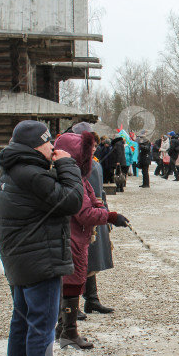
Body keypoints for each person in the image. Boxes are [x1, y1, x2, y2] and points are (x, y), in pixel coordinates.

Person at [0, 120, 84, 356]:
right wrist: (68, 165)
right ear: (36, 145)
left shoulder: (7, 173)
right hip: (40, 261)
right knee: (42, 328)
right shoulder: (33, 174)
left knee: (21, 323)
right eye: (49, 143)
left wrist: (20, 225)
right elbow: (71, 200)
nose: (54, 148)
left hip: (18, 261)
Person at [53, 131, 129, 350]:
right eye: (89, 149)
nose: (93, 151)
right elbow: (83, 212)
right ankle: (68, 332)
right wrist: (110, 216)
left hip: (76, 236)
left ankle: (63, 328)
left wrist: (98, 206)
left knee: (74, 280)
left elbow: (87, 203)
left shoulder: (76, 175)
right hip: (73, 237)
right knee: (72, 282)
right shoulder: (72, 177)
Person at [80, 127, 115, 317]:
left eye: (95, 145)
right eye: (89, 145)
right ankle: (72, 305)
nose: (93, 149)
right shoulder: (73, 165)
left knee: (92, 259)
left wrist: (106, 216)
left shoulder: (96, 165)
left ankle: (92, 300)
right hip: (81, 217)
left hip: (96, 215)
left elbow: (100, 193)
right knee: (77, 263)